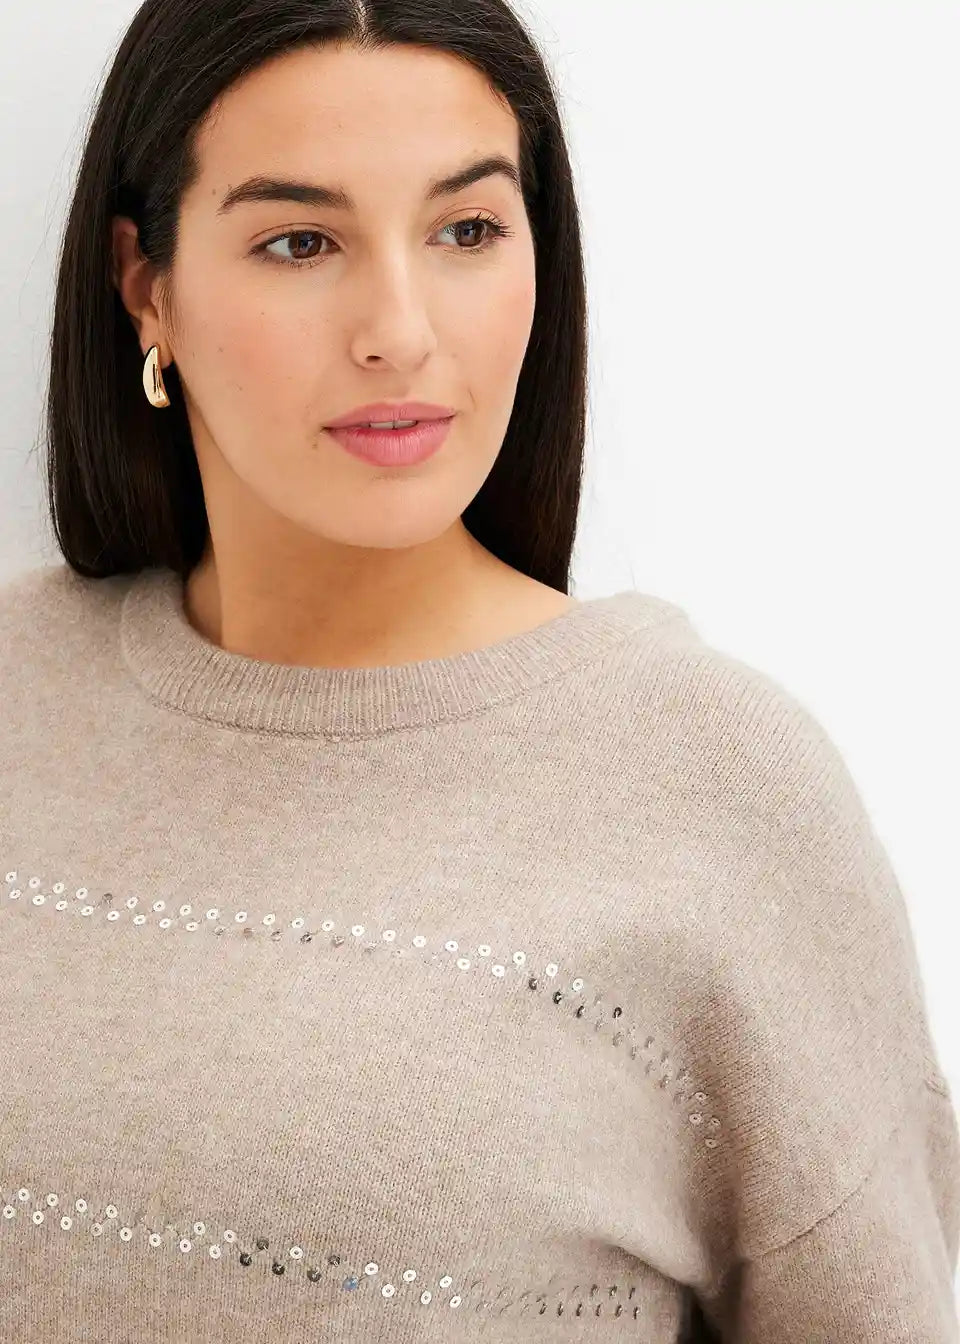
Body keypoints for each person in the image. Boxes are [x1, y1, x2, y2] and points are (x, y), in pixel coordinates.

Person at [1, 2, 957, 1340]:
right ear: (145, 283)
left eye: (465, 231)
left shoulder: (721, 789)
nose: (399, 330)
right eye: (301, 241)